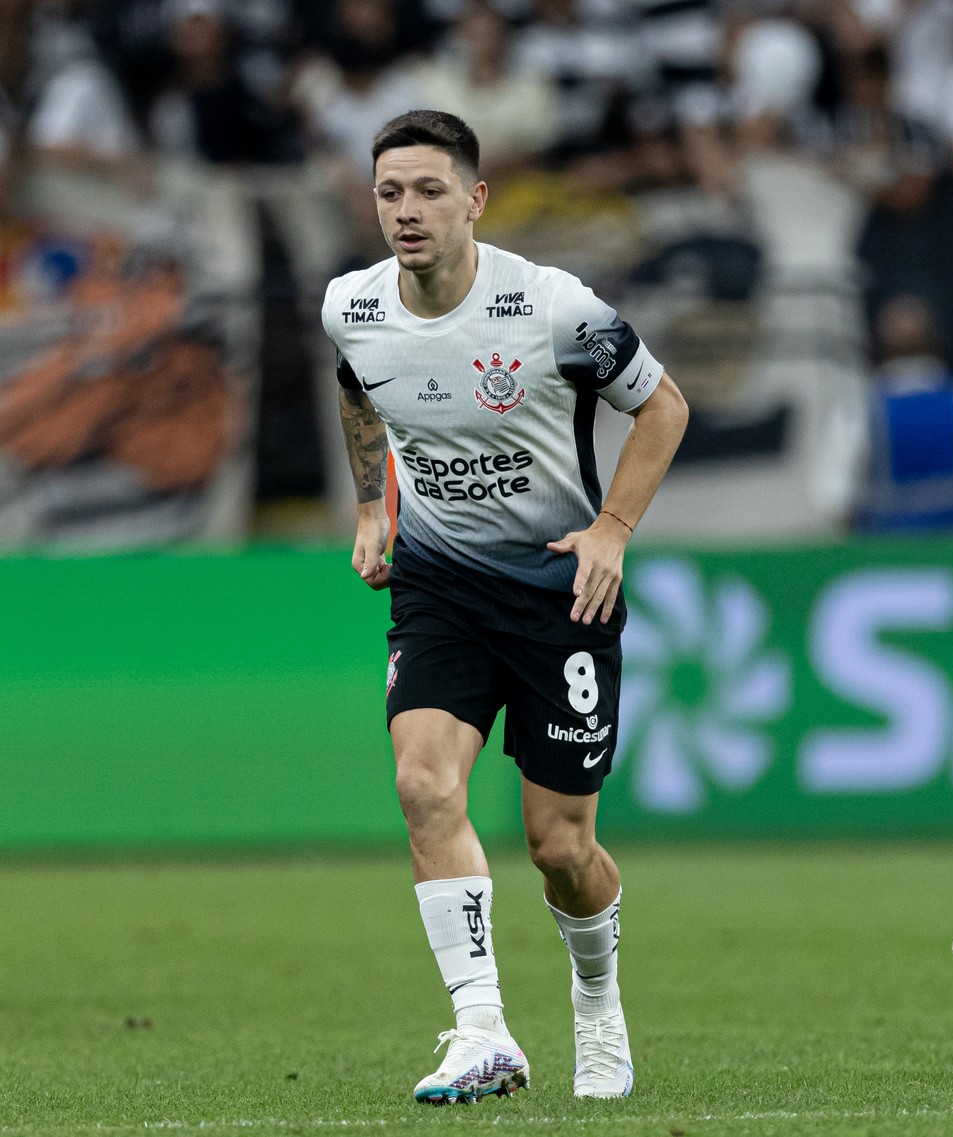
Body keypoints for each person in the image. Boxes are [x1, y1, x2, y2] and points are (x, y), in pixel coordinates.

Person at [321, 109, 688, 1105]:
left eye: (428, 190)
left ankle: (596, 994)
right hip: (438, 587)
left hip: (559, 593)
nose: (406, 210)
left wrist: (612, 529)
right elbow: (357, 387)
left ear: (476, 199)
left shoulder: (554, 307)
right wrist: (371, 506)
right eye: (390, 192)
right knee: (423, 784)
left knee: (560, 848)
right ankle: (482, 1030)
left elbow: (663, 407)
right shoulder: (352, 305)